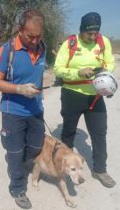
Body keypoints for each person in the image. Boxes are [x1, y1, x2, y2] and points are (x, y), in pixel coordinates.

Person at [0, 10, 46, 209]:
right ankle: (16, 187)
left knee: (35, 148)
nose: (35, 40)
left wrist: (40, 97)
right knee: (15, 151)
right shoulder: (7, 50)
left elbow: (39, 76)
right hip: (13, 111)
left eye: (39, 35)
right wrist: (19, 89)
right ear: (19, 30)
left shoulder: (43, 47)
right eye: (31, 36)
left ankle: (18, 160)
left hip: (36, 110)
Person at [54, 12, 116, 188]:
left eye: (96, 32)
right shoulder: (70, 44)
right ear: (81, 31)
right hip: (72, 94)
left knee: (99, 133)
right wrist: (77, 73)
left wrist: (102, 69)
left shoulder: (103, 42)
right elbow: (58, 69)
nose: (93, 36)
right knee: (68, 132)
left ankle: (100, 170)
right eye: (89, 33)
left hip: (95, 95)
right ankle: (62, 167)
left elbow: (110, 63)